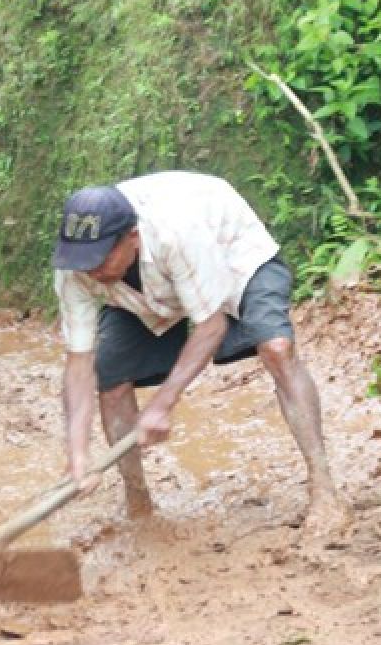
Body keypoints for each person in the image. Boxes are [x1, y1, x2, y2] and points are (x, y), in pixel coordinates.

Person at [53, 171, 349, 538]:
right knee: (109, 380)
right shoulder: (80, 270)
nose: (90, 270)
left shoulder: (175, 233)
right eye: (84, 261)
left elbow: (211, 327)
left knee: (277, 348)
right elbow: (79, 363)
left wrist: (161, 404)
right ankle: (137, 500)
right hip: (149, 292)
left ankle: (324, 489)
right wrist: (77, 454)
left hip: (230, 255)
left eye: (99, 259)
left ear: (132, 237)